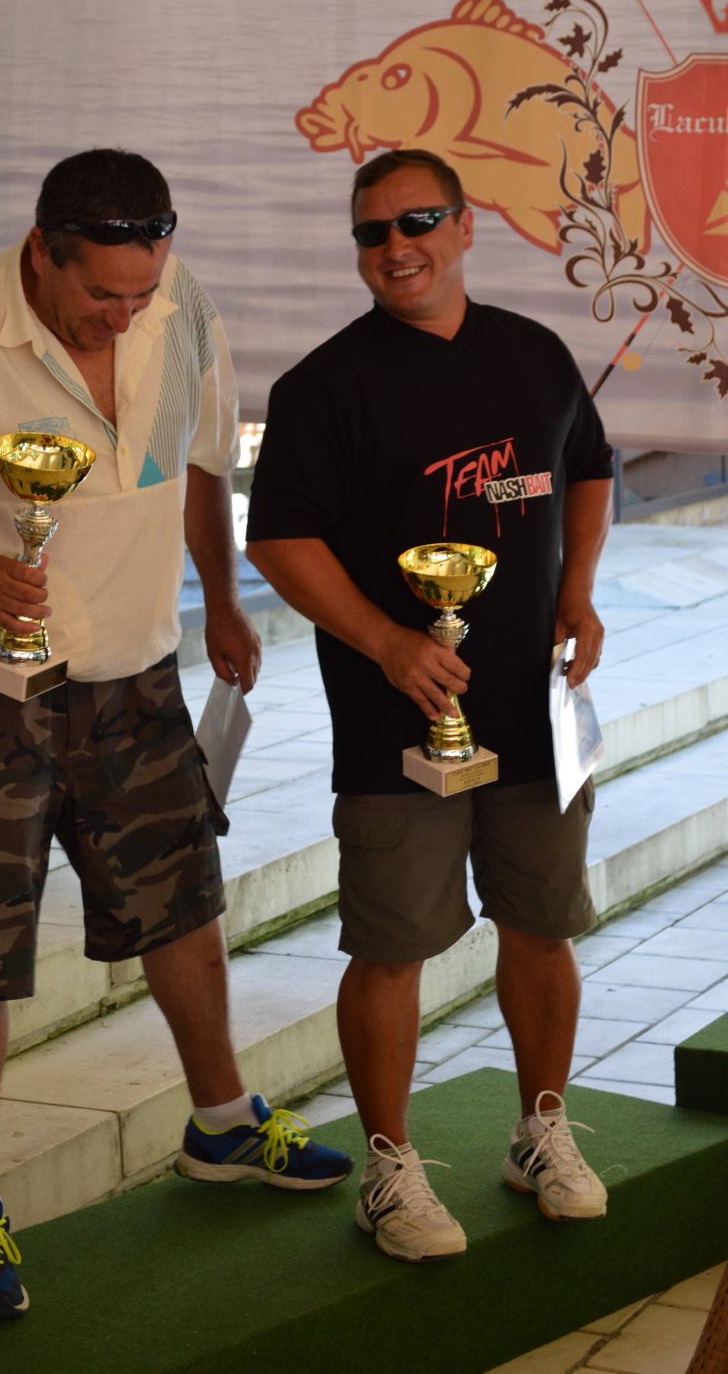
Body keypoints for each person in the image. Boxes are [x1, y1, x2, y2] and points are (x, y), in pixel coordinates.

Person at [0, 149, 352, 1323]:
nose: (125, 313)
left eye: (142, 290)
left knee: (184, 900)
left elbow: (199, 459)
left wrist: (221, 598)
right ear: (43, 254)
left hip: (135, 672)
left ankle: (221, 1122)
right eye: (102, 293)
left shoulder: (177, 303)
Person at [245, 148, 613, 1264]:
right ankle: (389, 1167)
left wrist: (579, 591)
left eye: (417, 222)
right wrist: (387, 642)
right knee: (392, 946)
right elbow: (279, 539)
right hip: (392, 724)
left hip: (532, 712)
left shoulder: (534, 353)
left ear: (463, 227)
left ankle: (540, 1131)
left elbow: (587, 467)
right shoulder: (324, 386)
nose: (395, 246)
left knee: (541, 925)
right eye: (372, 231)